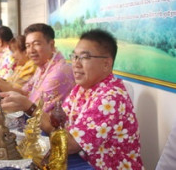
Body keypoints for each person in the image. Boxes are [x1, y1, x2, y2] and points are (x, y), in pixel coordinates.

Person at [41, 29, 143, 169]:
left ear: (106, 64)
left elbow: (69, 145)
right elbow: (58, 124)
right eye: (75, 57)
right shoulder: (81, 88)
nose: (76, 64)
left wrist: (30, 108)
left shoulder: (111, 97)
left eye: (84, 57)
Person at [0, 23, 75, 115]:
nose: (31, 50)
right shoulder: (43, 66)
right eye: (28, 46)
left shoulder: (58, 72)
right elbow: (24, 92)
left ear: (51, 45)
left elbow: (37, 111)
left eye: (36, 44)